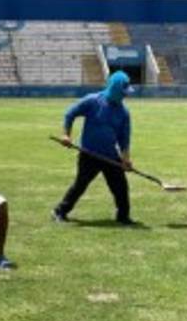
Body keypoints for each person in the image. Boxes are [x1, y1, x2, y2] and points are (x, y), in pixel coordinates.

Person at [52, 70, 136, 226]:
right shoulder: (93, 101)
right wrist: (66, 135)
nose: (126, 96)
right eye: (123, 92)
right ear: (115, 89)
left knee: (121, 187)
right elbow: (70, 114)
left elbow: (124, 139)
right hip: (89, 154)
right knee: (80, 185)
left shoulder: (124, 113)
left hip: (110, 156)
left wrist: (126, 160)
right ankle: (59, 211)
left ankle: (123, 217)